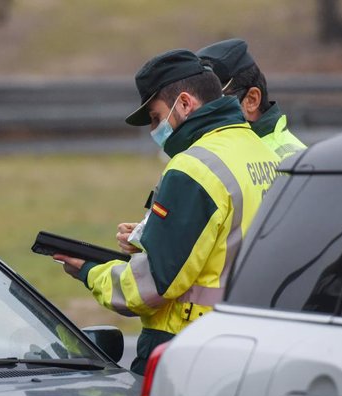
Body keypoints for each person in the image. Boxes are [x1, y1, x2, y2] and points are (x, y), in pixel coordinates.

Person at [54, 49, 281, 375]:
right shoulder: (261, 151)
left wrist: (90, 270)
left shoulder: (194, 167)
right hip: (252, 345)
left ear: (185, 104)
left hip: (185, 352)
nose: (153, 131)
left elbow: (153, 286)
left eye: (156, 117)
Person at [197, 38, 307, 159]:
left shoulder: (290, 160)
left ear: (252, 100)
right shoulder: (223, 151)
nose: (205, 114)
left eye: (217, 103)